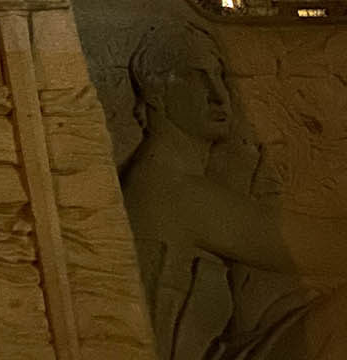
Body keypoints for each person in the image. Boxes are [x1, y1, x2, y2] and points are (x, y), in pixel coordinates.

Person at [121, 20, 347, 360]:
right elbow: (319, 248)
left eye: (220, 77)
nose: (218, 94)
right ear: (155, 93)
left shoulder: (182, 180)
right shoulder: (167, 187)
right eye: (197, 76)